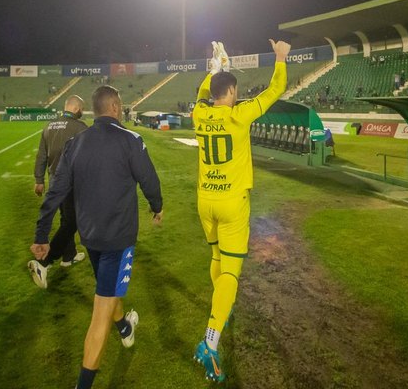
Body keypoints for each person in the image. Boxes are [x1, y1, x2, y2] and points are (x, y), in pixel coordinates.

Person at [32, 86, 163, 389]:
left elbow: (56, 191)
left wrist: (41, 234)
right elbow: (149, 179)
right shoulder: (131, 139)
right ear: (115, 107)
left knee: (108, 289)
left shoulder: (76, 142)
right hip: (118, 239)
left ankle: (125, 329)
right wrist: (157, 206)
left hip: (89, 237)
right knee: (101, 310)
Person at [191, 39, 289, 382]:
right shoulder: (240, 114)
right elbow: (276, 90)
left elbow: (202, 92)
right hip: (232, 202)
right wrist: (280, 58)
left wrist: (215, 67)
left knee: (217, 258)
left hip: (205, 200)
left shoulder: (199, 113)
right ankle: (210, 340)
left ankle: (222, 309)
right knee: (231, 272)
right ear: (232, 91)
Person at [28, 95, 88, 289]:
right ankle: (45, 262)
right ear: (77, 108)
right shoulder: (80, 127)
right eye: (81, 108)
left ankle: (69, 256)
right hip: (71, 181)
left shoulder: (49, 126)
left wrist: (39, 180)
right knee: (72, 222)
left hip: (54, 178)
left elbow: (41, 155)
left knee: (66, 218)